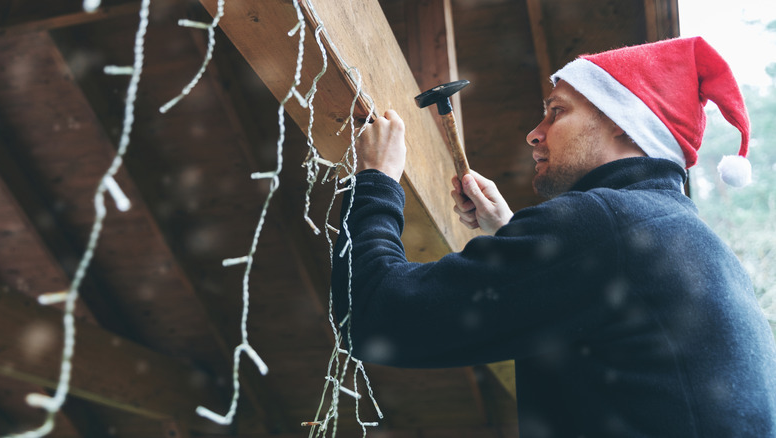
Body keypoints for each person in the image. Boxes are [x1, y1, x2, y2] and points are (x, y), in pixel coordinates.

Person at [331, 36, 776, 437]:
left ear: (624, 122)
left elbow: (372, 315)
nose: (534, 133)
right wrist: (511, 235)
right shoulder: (684, 236)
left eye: (556, 111)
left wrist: (377, 179)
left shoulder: (601, 224)